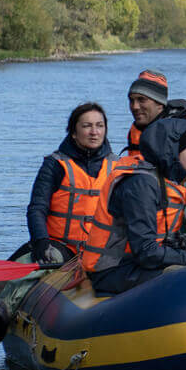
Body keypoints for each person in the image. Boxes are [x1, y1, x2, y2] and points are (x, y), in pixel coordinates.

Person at [82, 118, 186, 295]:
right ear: (173, 152)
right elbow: (147, 252)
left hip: (133, 264)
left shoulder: (162, 178)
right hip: (112, 271)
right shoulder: (140, 185)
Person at [25, 102, 115, 262]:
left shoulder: (117, 166)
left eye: (99, 126)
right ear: (74, 132)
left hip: (102, 249)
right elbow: (37, 208)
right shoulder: (55, 164)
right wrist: (41, 241)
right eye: (87, 126)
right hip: (60, 248)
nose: (94, 132)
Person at [121, 68, 186, 160]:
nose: (135, 106)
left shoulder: (184, 131)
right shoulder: (136, 129)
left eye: (142, 100)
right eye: (131, 100)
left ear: (160, 104)